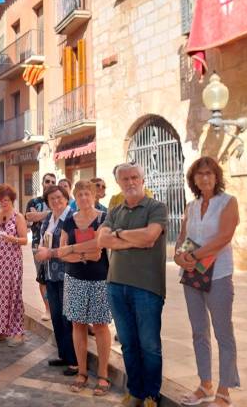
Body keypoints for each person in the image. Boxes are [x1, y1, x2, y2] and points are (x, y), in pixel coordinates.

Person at [98, 162, 168, 407]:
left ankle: (151, 395)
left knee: (149, 345)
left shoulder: (156, 207)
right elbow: (101, 240)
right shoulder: (114, 210)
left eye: (134, 177)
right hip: (116, 285)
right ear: (118, 182)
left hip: (147, 287)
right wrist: (129, 237)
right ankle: (136, 392)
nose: (130, 182)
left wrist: (117, 235)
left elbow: (150, 238)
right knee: (128, 343)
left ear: (142, 179)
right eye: (125, 179)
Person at [175, 157, 240, 407]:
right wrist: (179, 257)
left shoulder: (228, 202)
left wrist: (191, 256)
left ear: (216, 177)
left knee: (223, 332)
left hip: (219, 274)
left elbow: (224, 236)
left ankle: (224, 390)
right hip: (192, 275)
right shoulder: (191, 206)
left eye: (209, 173)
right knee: (198, 331)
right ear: (193, 179)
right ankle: (205, 384)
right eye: (199, 174)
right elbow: (182, 237)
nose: (204, 178)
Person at [39, 180, 111, 395]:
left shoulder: (103, 218)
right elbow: (61, 253)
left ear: (94, 195)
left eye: (87, 194)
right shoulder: (70, 221)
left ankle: (104, 375)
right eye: (80, 195)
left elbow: (98, 249)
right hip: (74, 279)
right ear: (75, 198)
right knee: (77, 325)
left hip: (98, 278)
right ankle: (81, 372)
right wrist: (82, 253)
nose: (84, 198)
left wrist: (72, 250)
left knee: (99, 326)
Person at [34, 184, 77, 374]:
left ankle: (74, 360)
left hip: (67, 274)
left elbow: (72, 248)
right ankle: (63, 354)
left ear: (66, 198)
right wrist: (39, 252)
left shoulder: (72, 218)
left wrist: (48, 253)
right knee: (57, 317)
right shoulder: (49, 219)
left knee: (68, 318)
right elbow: (42, 242)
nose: (56, 201)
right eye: (52, 199)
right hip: (51, 275)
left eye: (59, 197)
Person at [0, 183, 28, 346]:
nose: (4, 202)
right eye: (2, 200)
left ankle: (17, 332)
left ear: (12, 200)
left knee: (14, 294)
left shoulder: (18, 217)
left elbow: (25, 240)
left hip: (12, 262)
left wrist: (13, 239)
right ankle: (0, 329)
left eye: (7, 200)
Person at [26, 173, 56, 321]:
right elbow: (30, 218)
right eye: (47, 181)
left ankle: (56, 308)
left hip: (56, 247)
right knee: (42, 278)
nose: (50, 184)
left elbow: (37, 217)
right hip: (38, 245)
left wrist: (40, 215)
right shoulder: (34, 201)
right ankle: (48, 309)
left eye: (53, 181)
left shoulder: (57, 201)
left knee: (55, 278)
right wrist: (51, 213)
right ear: (43, 183)